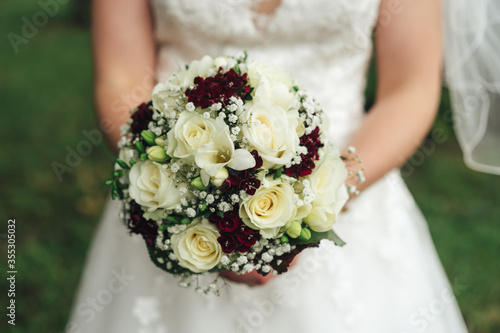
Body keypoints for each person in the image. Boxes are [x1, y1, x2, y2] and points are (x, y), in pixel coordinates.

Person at [68, 0, 469, 332]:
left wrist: (317, 202)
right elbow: (121, 78)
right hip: (178, 182)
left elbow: (410, 88)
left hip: (355, 176)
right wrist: (187, 198)